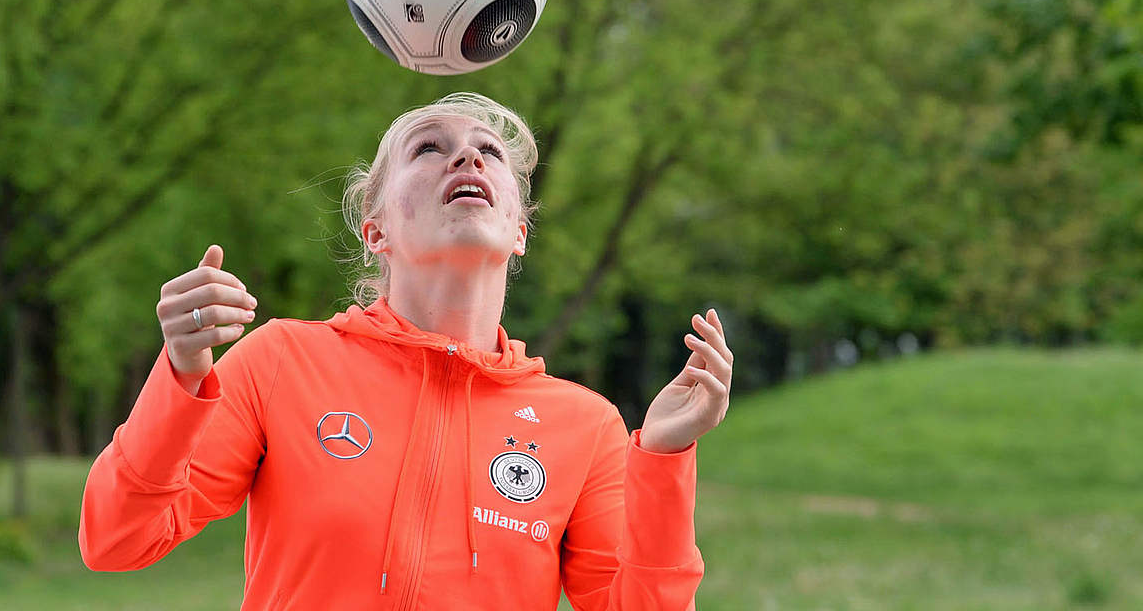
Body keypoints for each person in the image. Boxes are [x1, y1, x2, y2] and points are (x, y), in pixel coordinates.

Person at [79, 92, 734, 610]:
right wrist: (184, 377)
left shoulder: (585, 426)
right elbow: (116, 538)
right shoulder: (282, 361)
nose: (466, 159)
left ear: (519, 230)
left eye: (488, 153)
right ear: (376, 228)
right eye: (430, 148)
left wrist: (665, 459)